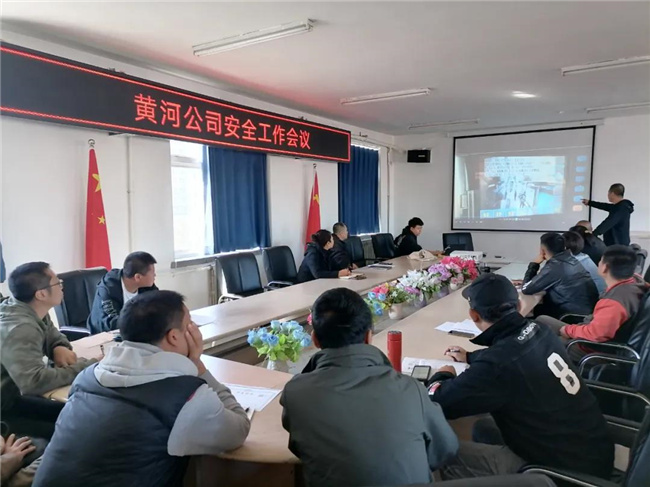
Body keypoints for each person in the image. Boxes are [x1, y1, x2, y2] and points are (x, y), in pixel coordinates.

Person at [33, 290, 250, 487]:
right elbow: (238, 429)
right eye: (190, 325)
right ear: (174, 336)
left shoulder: (87, 377)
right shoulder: (186, 397)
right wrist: (199, 366)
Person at [427, 274, 613, 480]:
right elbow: (513, 351)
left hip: (561, 474)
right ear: (518, 305)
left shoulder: (497, 365)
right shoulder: (540, 329)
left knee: (445, 455)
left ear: (473, 315)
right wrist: (471, 357)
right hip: (593, 452)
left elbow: (439, 401)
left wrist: (443, 374)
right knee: (482, 427)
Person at [281, 288, 458, 487]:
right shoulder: (410, 389)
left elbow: (300, 448)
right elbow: (445, 450)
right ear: (368, 336)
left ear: (315, 339)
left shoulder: (295, 393)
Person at [0, 262, 98, 439]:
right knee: (77, 431)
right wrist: (88, 367)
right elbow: (34, 383)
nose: (62, 286)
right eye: (57, 283)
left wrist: (58, 347)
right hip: (4, 410)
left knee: (81, 414)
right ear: (41, 294)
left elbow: (53, 335)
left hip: (11, 397)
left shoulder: (29, 308)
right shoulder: (20, 328)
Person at [537, 245, 648, 348]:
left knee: (540, 343)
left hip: (589, 347)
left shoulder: (613, 302)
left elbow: (595, 334)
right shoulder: (635, 281)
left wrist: (567, 330)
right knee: (541, 320)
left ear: (605, 267)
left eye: (601, 261)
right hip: (591, 330)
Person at [521, 232, 599, 318]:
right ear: (564, 247)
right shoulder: (571, 260)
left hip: (572, 315)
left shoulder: (554, 266)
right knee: (538, 307)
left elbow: (526, 289)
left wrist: (534, 264)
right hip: (587, 311)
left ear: (542, 251)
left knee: (531, 312)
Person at [87, 251, 158, 334]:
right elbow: (111, 323)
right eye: (152, 273)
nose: (155, 275)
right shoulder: (109, 287)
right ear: (138, 277)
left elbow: (160, 305)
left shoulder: (146, 286)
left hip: (132, 333)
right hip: (103, 335)